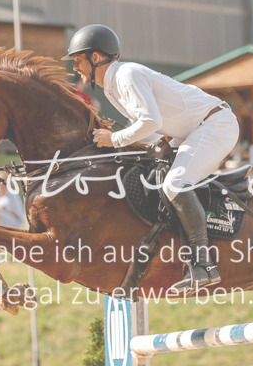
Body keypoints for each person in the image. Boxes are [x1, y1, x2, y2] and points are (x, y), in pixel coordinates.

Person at [66, 24, 239, 292]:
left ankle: (204, 266)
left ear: (95, 57)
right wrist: (113, 142)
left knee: (174, 185)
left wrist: (114, 139)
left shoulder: (126, 75)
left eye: (78, 60)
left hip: (215, 124)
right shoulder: (112, 87)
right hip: (192, 131)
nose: (75, 67)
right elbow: (150, 135)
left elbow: (150, 121)